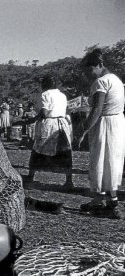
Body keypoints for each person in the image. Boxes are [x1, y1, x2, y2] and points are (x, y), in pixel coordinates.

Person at [76, 49, 125, 218]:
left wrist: (83, 131)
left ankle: (103, 201)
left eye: (90, 70)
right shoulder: (116, 80)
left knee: (101, 161)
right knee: (110, 161)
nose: (88, 74)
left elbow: (97, 109)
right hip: (117, 123)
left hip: (106, 124)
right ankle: (108, 200)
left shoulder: (101, 82)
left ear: (99, 65)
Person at [25, 74, 73, 187]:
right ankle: (69, 181)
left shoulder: (45, 94)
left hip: (49, 124)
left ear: (44, 85)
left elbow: (45, 113)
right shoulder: (62, 95)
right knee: (65, 151)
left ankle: (31, 177)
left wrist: (34, 118)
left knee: (38, 149)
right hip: (62, 125)